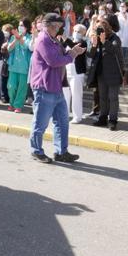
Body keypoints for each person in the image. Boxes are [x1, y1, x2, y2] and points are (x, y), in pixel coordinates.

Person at [29, 13, 86, 163]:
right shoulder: (43, 40)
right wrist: (72, 55)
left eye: (60, 26)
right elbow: (54, 61)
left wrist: (71, 51)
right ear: (50, 26)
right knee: (40, 123)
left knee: (62, 122)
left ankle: (61, 152)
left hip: (56, 87)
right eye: (57, 26)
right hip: (44, 87)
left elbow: (60, 55)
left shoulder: (53, 40)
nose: (59, 29)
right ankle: (36, 151)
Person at [86, 18, 124, 130]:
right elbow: (90, 55)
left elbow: (114, 50)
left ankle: (113, 120)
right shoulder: (96, 39)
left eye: (101, 29)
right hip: (101, 73)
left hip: (113, 73)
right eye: (97, 29)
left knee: (113, 98)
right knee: (102, 97)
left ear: (106, 28)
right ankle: (103, 117)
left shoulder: (114, 38)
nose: (99, 31)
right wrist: (93, 45)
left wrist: (104, 41)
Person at [63, 24, 89, 123]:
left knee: (76, 95)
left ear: (83, 34)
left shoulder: (83, 43)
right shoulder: (67, 42)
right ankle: (64, 114)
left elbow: (75, 48)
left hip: (77, 73)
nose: (75, 33)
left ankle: (77, 116)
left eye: (78, 31)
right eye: (74, 30)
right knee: (65, 95)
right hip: (66, 71)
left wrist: (65, 39)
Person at [6, 20, 33, 112]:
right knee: (11, 86)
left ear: (26, 27)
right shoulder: (13, 37)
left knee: (22, 88)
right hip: (13, 66)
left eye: (22, 25)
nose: (20, 27)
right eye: (19, 25)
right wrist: (15, 39)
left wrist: (20, 38)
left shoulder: (29, 37)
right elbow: (9, 48)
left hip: (24, 67)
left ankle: (18, 105)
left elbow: (26, 47)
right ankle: (12, 103)